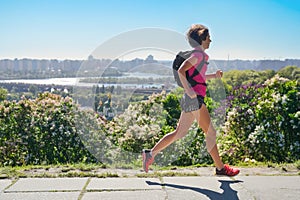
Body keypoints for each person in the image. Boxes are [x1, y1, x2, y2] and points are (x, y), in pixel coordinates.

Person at [142, 24, 240, 176]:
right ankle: (220, 168)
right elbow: (181, 70)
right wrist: (189, 91)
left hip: (191, 99)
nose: (210, 41)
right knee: (211, 133)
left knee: (179, 133)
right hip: (194, 99)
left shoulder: (200, 56)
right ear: (201, 39)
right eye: (208, 38)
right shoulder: (198, 55)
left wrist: (213, 76)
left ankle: (150, 154)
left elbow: (197, 77)